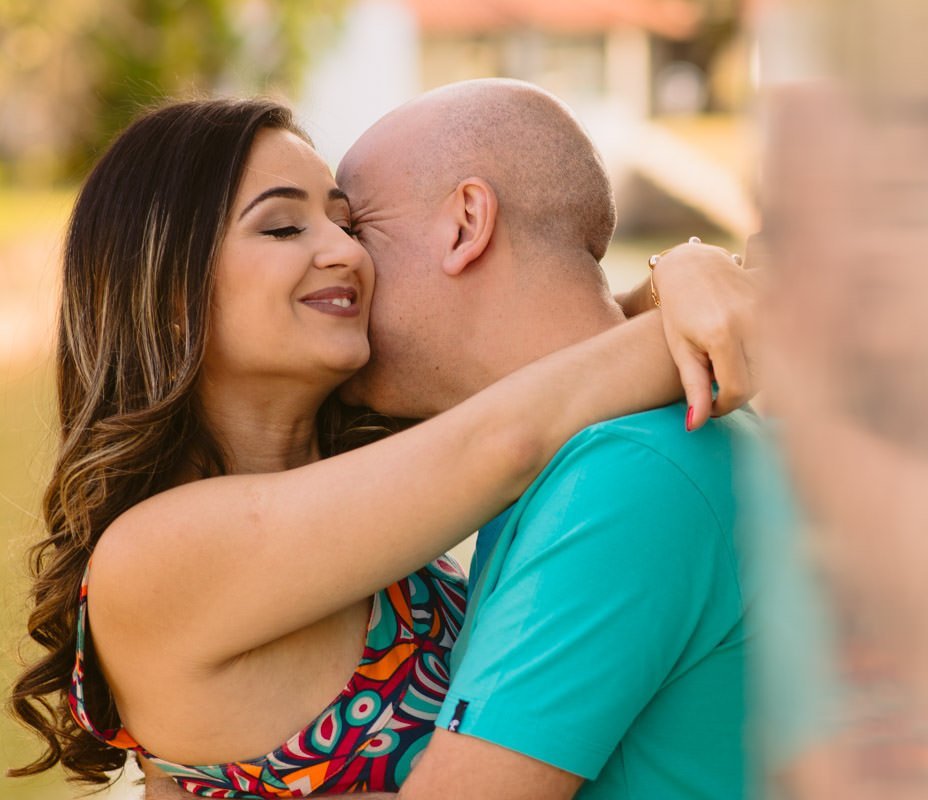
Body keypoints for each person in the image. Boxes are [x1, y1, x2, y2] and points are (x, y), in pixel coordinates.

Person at [7, 96, 754, 798]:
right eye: (282, 228)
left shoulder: (371, 476)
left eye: (350, 224)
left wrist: (683, 276)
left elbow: (539, 364)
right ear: (171, 293)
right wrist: (729, 307)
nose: (346, 253)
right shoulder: (154, 557)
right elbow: (511, 433)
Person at [333, 78, 758, 799]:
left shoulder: (629, 473)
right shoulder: (604, 451)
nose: (341, 265)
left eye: (356, 230)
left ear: (465, 224)